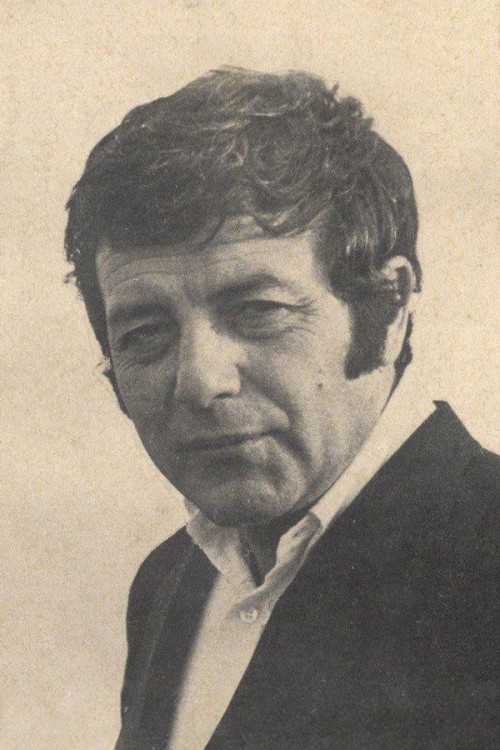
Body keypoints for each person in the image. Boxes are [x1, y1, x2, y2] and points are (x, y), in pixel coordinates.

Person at [65, 68, 499, 750]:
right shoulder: (170, 583)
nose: (200, 383)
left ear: (389, 308)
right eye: (146, 333)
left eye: (258, 311)